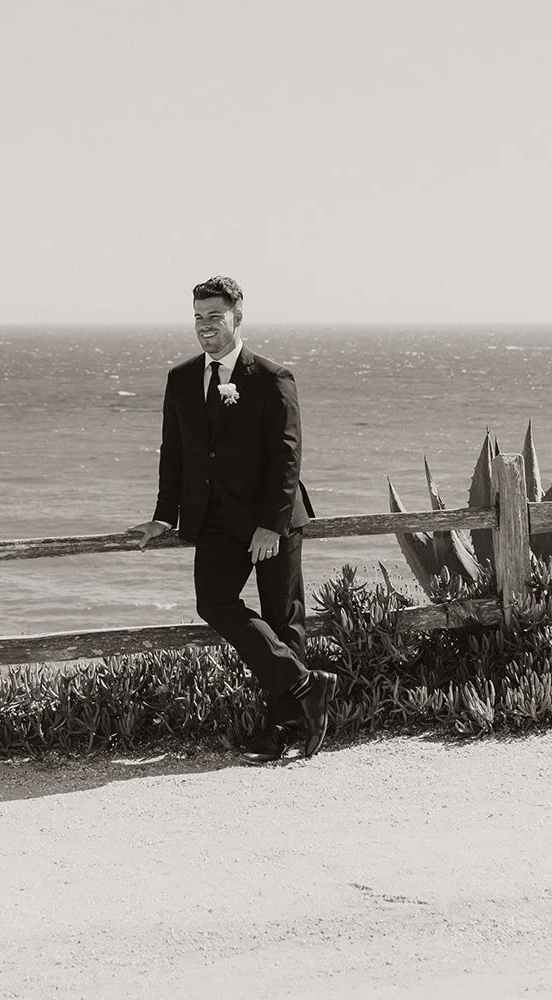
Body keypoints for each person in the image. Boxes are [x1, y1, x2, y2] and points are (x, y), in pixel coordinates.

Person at [129, 275, 335, 762]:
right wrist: (164, 515)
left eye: (214, 317)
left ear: (237, 317)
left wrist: (271, 523)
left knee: (284, 623)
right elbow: (173, 452)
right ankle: (307, 685)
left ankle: (281, 729)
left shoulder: (272, 376)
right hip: (216, 520)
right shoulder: (180, 378)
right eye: (198, 317)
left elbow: (288, 456)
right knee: (214, 603)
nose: (205, 326)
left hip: (273, 520)